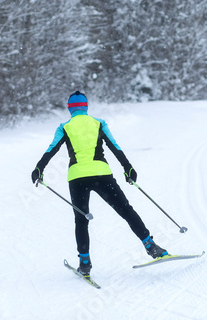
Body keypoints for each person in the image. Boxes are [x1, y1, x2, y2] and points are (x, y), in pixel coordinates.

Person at [31, 91, 168, 276]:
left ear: (69, 109)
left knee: (81, 220)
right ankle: (151, 246)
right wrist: (128, 168)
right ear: (86, 107)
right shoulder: (99, 123)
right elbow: (115, 146)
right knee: (126, 210)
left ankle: (85, 262)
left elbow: (51, 150)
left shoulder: (65, 127)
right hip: (102, 175)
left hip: (77, 178)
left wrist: (39, 168)